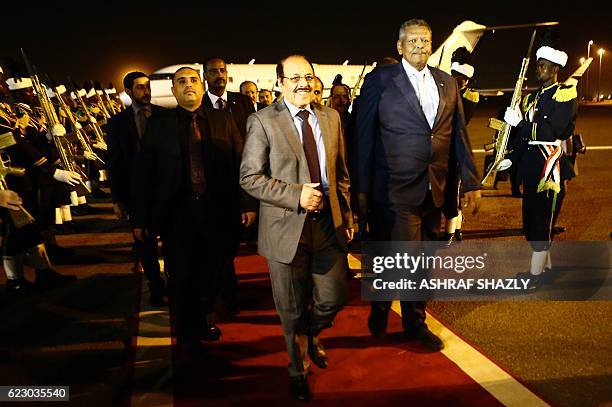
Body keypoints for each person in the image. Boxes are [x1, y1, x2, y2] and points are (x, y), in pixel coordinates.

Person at [355, 19, 481, 351]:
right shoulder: (380, 81)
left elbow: (458, 138)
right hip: (395, 189)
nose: (419, 47)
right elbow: (364, 136)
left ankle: (389, 306)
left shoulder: (447, 84)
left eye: (425, 41)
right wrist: (362, 189)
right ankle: (413, 322)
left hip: (434, 188)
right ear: (399, 46)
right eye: (412, 41)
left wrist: (471, 183)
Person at [240, 55, 353, 401]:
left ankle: (312, 333)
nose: (303, 83)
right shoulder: (262, 121)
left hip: (327, 228)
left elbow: (341, 174)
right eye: (294, 78)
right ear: (280, 83)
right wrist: (295, 195)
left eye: (308, 76)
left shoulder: (331, 117)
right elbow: (249, 178)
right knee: (290, 308)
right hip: (284, 230)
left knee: (334, 297)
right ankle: (296, 367)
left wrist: (347, 217)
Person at [132, 66, 247, 358]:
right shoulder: (160, 125)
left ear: (202, 84)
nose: (188, 86)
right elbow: (145, 174)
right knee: (182, 277)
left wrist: (248, 204)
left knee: (215, 273)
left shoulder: (223, 120)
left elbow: (241, 164)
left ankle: (205, 314)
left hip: (217, 213)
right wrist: (141, 219)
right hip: (177, 215)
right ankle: (188, 336)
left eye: (193, 80)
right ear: (173, 91)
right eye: (181, 82)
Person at [503, 45, 577, 291]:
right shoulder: (531, 97)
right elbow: (522, 138)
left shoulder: (564, 95)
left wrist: (521, 123)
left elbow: (549, 132)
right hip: (531, 167)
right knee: (533, 223)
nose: (539, 70)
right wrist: (511, 157)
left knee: (541, 224)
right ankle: (546, 270)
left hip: (550, 168)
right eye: (538, 65)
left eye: (544, 66)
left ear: (555, 69)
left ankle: (534, 278)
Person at [106, 71, 167, 306]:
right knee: (144, 243)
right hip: (136, 195)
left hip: (165, 190)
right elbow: (114, 163)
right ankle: (155, 285)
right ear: (129, 91)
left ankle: (173, 280)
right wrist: (117, 199)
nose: (146, 91)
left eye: (147, 86)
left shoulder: (165, 116)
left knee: (171, 240)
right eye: (140, 87)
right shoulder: (117, 123)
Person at [202, 57, 257, 315]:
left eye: (222, 70)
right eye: (213, 71)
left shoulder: (242, 102)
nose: (219, 75)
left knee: (234, 244)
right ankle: (227, 297)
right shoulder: (200, 107)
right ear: (205, 76)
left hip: (246, 182)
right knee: (220, 250)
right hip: (216, 190)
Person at [443, 47, 480, 246]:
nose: (457, 81)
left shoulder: (469, 97)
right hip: (442, 149)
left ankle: (452, 231)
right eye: (454, 76)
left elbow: (460, 121)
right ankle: (456, 228)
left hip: (456, 149)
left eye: (461, 78)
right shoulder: (447, 92)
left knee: (453, 191)